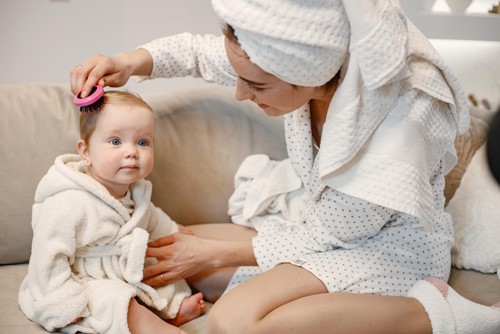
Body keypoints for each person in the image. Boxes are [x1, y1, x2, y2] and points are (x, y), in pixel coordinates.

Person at [69, 1, 500, 333]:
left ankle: (447, 315)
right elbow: (198, 54)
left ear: (313, 77)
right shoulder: (296, 54)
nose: (240, 93)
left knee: (231, 322)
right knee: (169, 247)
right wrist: (126, 62)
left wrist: (216, 252)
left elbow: (335, 233)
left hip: (390, 250)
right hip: (323, 231)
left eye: (256, 86)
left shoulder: (400, 121)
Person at [18, 90, 205, 334]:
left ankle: (164, 315)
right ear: (85, 152)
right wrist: (62, 301)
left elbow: (152, 219)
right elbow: (48, 259)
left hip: (122, 269)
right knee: (112, 299)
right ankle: (162, 329)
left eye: (142, 142)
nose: (132, 152)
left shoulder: (137, 194)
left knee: (161, 275)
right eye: (116, 141)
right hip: (79, 279)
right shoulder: (67, 202)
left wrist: (174, 231)